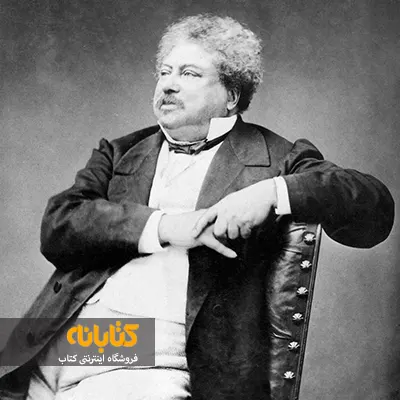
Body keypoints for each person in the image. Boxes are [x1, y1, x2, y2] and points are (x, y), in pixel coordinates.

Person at [0, 14, 394, 400]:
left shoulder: (277, 158)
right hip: (54, 339)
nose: (168, 84)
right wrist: (166, 226)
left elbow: (373, 208)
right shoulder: (121, 151)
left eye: (188, 74)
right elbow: (58, 225)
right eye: (164, 72)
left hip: (150, 354)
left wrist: (271, 192)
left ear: (231, 96)